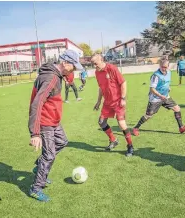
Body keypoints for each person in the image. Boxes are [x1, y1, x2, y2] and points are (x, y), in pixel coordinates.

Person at [28, 49, 83, 201]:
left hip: (54, 121)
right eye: (73, 66)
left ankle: (40, 165)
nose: (75, 69)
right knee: (49, 155)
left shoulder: (57, 74)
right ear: (65, 63)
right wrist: (35, 133)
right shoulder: (51, 78)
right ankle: (36, 188)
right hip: (45, 123)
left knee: (63, 142)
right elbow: (37, 104)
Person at [133, 59, 185, 136]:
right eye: (162, 67)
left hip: (166, 97)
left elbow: (166, 82)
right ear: (159, 65)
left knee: (177, 108)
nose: (164, 68)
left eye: (165, 67)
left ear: (168, 66)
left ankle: (181, 127)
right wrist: (160, 96)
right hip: (155, 98)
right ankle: (136, 128)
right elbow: (152, 89)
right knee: (148, 115)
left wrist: (168, 88)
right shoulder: (156, 75)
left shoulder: (169, 72)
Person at [91, 53, 134, 157]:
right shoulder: (97, 73)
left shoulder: (112, 69)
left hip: (118, 101)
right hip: (107, 102)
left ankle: (130, 146)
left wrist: (123, 98)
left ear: (101, 60)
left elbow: (123, 83)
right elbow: (101, 88)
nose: (94, 66)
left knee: (121, 124)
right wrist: (98, 101)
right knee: (101, 122)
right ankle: (113, 140)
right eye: (92, 64)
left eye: (95, 63)